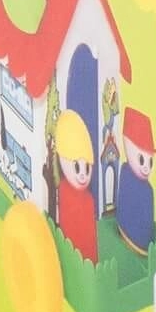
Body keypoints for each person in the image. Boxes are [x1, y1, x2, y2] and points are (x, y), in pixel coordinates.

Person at [54, 109, 99, 263]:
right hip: (73, 259)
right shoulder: (64, 190)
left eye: (86, 168)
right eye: (78, 168)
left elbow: (90, 238)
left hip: (88, 261)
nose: (83, 175)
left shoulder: (88, 199)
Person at [116, 108, 156, 253]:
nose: (146, 167)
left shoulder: (148, 189)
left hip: (143, 243)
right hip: (127, 236)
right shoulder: (127, 175)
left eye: (150, 162)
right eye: (142, 159)